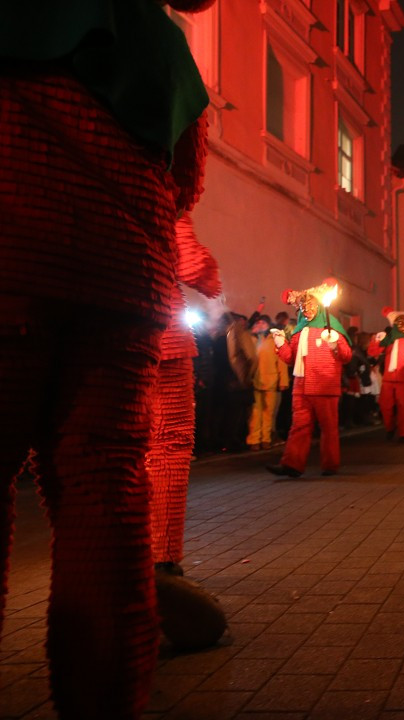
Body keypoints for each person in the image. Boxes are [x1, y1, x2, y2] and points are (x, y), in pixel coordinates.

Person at [0, 0, 213, 715]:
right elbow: (183, 183)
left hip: (11, 250)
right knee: (107, 485)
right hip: (124, 277)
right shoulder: (163, 41)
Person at [147, 214, 227, 652]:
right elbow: (194, 267)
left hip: (91, 332)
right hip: (160, 333)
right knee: (168, 445)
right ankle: (160, 557)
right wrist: (212, 277)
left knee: (107, 448)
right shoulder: (161, 190)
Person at [266, 281, 353, 478]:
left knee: (328, 427)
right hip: (301, 385)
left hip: (324, 385)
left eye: (311, 305)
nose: (307, 309)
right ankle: (292, 464)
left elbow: (346, 356)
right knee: (299, 426)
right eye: (303, 306)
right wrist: (281, 344)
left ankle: (330, 464)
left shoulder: (333, 329)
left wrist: (335, 346)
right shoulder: (298, 332)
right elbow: (291, 358)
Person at [368, 307, 404, 442]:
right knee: (385, 406)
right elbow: (373, 352)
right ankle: (390, 427)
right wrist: (376, 340)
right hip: (388, 379)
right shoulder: (389, 339)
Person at [248, 314, 289, 450]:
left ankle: (265, 439)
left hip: (271, 380)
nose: (260, 325)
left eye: (263, 322)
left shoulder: (275, 339)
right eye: (258, 322)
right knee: (255, 412)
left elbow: (281, 361)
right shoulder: (252, 339)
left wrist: (283, 380)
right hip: (255, 380)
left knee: (268, 412)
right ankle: (254, 440)